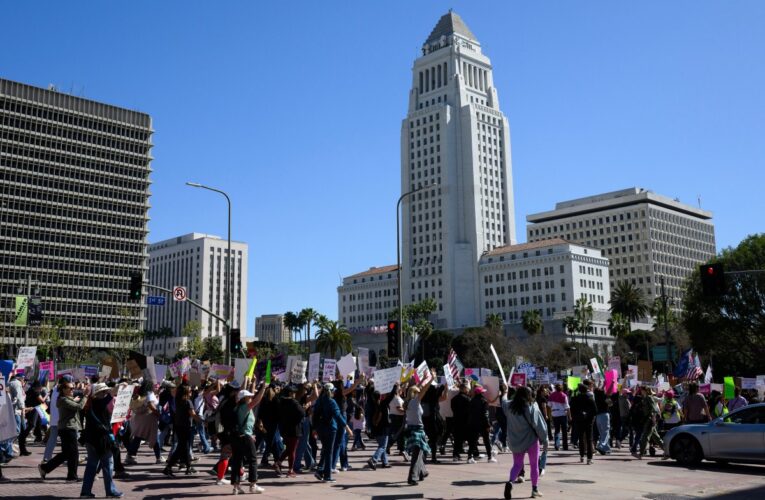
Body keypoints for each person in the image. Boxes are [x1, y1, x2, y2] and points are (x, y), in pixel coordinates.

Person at [502, 386, 548, 499]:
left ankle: (510, 482)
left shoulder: (509, 405)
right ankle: (534, 489)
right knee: (534, 465)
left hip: (515, 440)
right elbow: (540, 425)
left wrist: (505, 392)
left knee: (517, 464)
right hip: (531, 439)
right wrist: (545, 439)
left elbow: (503, 401)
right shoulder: (532, 406)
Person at [39, 378, 89, 481]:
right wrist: (86, 396)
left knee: (67, 453)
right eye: (70, 388)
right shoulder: (63, 400)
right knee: (73, 453)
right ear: (63, 390)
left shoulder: (65, 399)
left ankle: (46, 468)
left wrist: (76, 399)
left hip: (67, 428)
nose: (72, 390)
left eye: (73, 388)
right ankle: (71, 476)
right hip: (67, 429)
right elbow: (79, 407)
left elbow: (73, 403)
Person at [80, 383, 123, 498]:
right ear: (100, 393)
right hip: (102, 440)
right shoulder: (100, 402)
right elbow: (111, 395)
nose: (106, 394)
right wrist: (119, 387)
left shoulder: (90, 403)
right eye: (104, 392)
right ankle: (110, 491)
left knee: (91, 466)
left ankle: (85, 492)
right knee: (108, 465)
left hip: (90, 439)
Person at [230, 378, 267, 495]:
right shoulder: (245, 407)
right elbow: (256, 400)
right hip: (245, 437)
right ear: (244, 399)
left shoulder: (237, 407)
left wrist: (253, 382)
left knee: (237, 461)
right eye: (248, 396)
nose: (250, 397)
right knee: (253, 460)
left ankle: (236, 487)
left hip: (237, 437)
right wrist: (264, 387)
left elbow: (247, 395)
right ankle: (253, 485)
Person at [312, 382, 351, 483]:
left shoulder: (319, 400)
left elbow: (314, 415)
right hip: (330, 428)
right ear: (332, 391)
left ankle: (320, 470)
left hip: (320, 428)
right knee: (329, 452)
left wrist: (314, 428)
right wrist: (347, 428)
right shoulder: (331, 401)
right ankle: (327, 476)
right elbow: (338, 415)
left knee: (325, 450)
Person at [404, 370, 434, 486]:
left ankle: (422, 472)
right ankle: (412, 477)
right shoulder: (415, 402)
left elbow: (417, 387)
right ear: (415, 394)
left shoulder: (408, 402)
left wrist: (423, 379)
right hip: (417, 430)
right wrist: (431, 379)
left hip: (413, 429)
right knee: (416, 455)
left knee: (419, 452)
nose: (420, 393)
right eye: (418, 392)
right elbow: (424, 389)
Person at [163, 384, 201, 475]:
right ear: (186, 392)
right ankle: (168, 467)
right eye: (190, 391)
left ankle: (188, 467)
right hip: (185, 427)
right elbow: (193, 414)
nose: (191, 392)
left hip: (179, 426)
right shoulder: (188, 402)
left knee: (185, 447)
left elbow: (175, 390)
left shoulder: (178, 400)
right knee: (182, 448)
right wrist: (202, 421)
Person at [125, 380, 161, 464]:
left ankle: (130, 455)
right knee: (154, 437)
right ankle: (158, 457)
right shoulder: (149, 394)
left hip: (139, 419)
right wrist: (158, 414)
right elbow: (150, 405)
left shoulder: (141, 393)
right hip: (149, 419)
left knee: (138, 436)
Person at [276, 384, 304, 477]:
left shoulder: (281, 402)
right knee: (292, 450)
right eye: (294, 392)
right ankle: (290, 470)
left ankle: (278, 462)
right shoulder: (294, 403)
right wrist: (305, 408)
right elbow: (302, 413)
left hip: (284, 428)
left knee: (289, 449)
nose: (295, 394)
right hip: (294, 429)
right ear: (291, 393)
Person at [367, 388, 394, 470]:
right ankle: (373, 459)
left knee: (382, 446)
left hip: (375, 429)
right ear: (380, 396)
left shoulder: (370, 405)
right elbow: (391, 396)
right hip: (383, 429)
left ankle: (385, 462)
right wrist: (395, 386)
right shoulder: (383, 404)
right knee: (382, 446)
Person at [467, 385, 495, 463]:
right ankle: (489, 457)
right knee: (486, 441)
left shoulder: (471, 401)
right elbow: (485, 414)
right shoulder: (484, 401)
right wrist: (488, 425)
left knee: (473, 441)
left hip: (473, 423)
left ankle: (470, 457)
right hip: (483, 424)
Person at [570, 383, 596, 464]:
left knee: (581, 438)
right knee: (589, 439)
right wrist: (589, 416)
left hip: (579, 421)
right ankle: (589, 458)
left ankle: (581, 456)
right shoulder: (590, 398)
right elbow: (595, 411)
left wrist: (576, 417)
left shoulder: (575, 399)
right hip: (588, 421)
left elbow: (572, 410)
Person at [450, 381, 471, 461]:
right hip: (465, 421)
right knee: (470, 439)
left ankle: (455, 455)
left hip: (456, 420)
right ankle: (471, 454)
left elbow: (453, 409)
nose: (468, 390)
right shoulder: (467, 399)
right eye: (468, 388)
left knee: (457, 440)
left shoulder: (453, 399)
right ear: (465, 389)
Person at [548, 383, 570, 451]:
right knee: (564, 431)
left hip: (555, 414)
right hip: (563, 414)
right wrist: (569, 416)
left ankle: (557, 445)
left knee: (557, 431)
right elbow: (567, 407)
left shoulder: (551, 395)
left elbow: (549, 406)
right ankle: (565, 446)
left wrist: (550, 415)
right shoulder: (564, 395)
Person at [593, 387, 611, 455]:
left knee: (602, 433)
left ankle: (606, 448)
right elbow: (610, 404)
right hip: (605, 415)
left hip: (598, 416)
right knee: (606, 432)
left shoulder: (595, 397)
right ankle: (601, 446)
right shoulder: (604, 397)